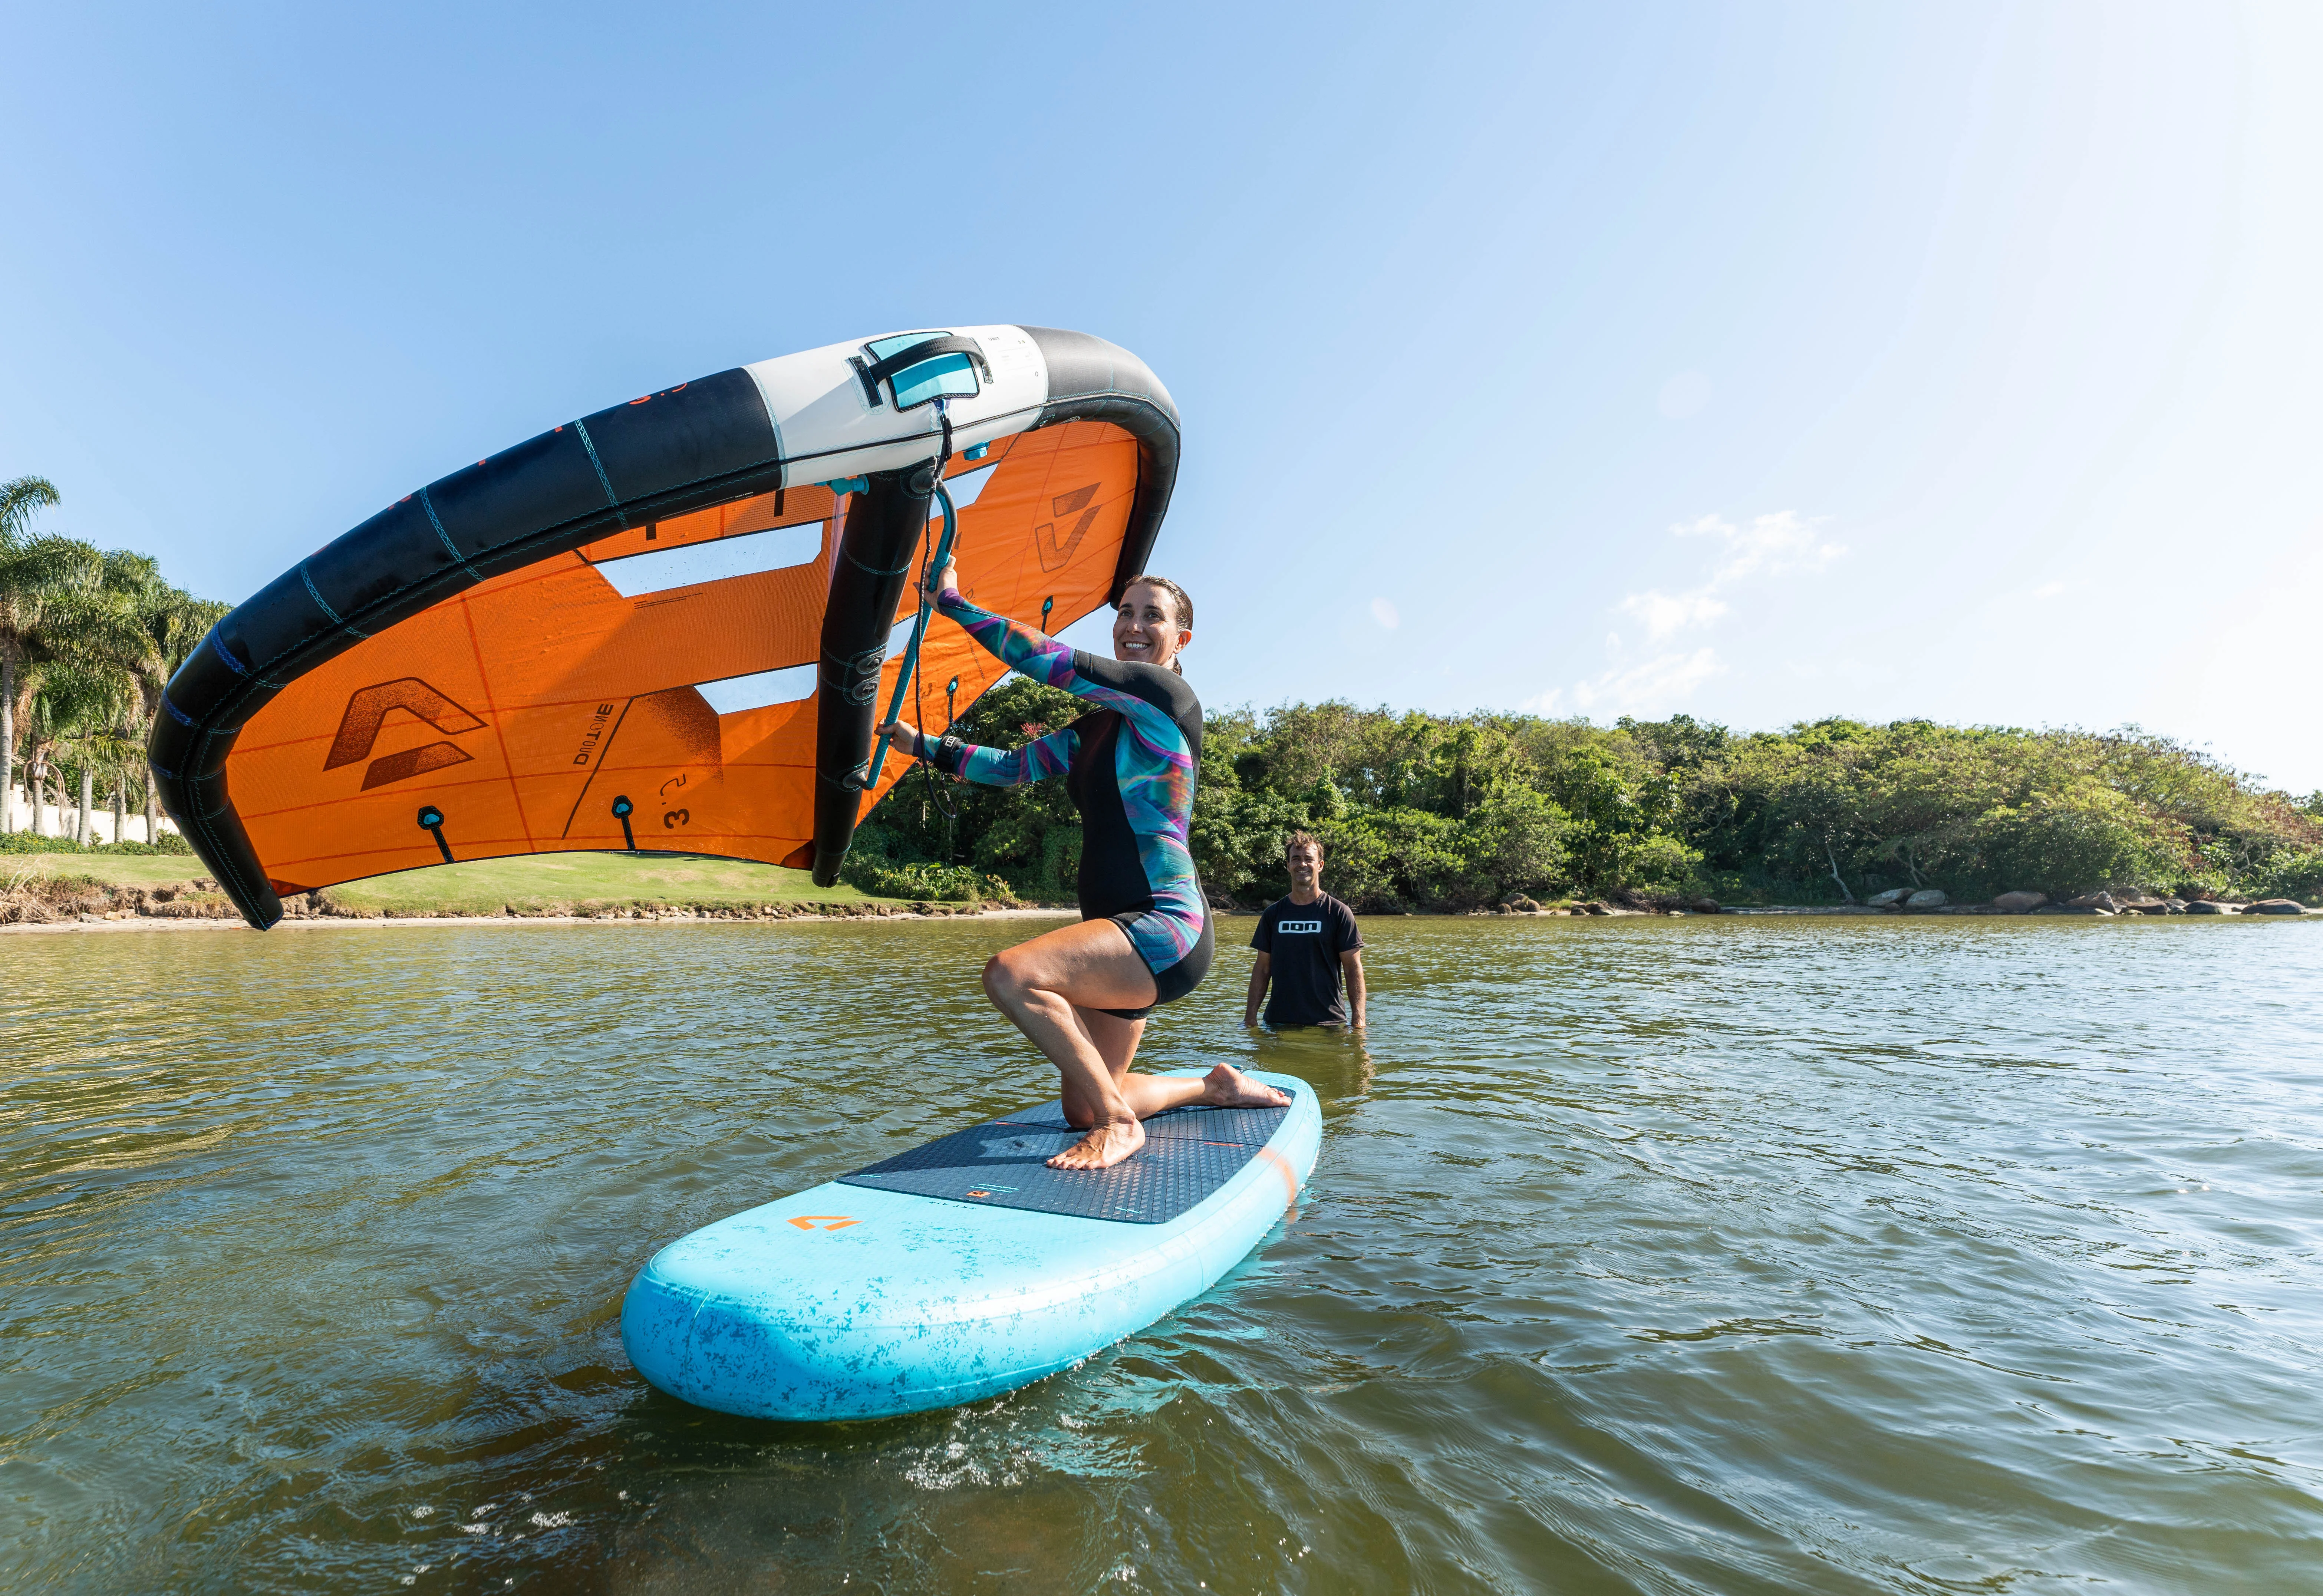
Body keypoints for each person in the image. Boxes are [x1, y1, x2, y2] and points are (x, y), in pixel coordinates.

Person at [879, 560, 1289, 1170]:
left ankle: (1122, 1125)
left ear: (1182, 638)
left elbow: (1051, 662)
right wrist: (924, 746)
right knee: (1082, 1106)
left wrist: (952, 602)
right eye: (1125, 611)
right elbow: (1013, 767)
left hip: (1162, 926)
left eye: (1153, 614)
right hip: (1118, 932)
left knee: (1011, 974)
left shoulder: (1167, 698)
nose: (1133, 623)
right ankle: (1213, 1086)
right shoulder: (1095, 727)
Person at [1245, 832, 1366, 1030]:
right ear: (1288, 865)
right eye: (1296, 859)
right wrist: (1250, 1018)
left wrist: (1359, 1021)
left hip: (1329, 1024)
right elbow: (1262, 969)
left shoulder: (1338, 913)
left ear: (1320, 865)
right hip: (1278, 1023)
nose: (1302, 864)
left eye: (1309, 859)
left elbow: (1353, 969)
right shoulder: (1273, 915)